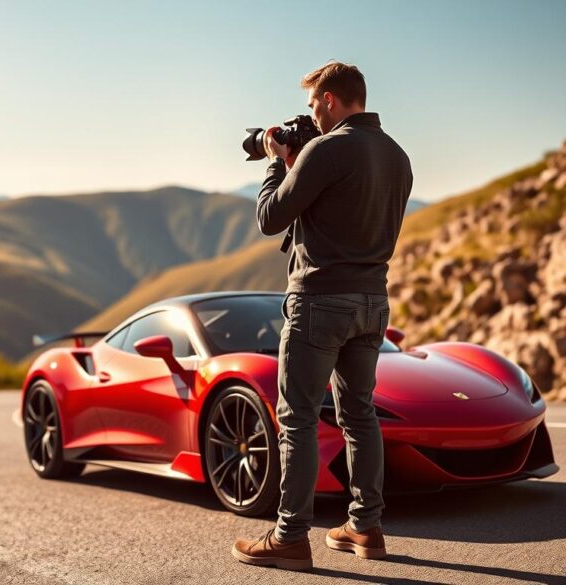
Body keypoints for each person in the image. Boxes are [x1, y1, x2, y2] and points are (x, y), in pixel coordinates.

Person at [231, 60, 413, 571]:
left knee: (297, 419)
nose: (313, 113)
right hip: (372, 301)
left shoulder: (325, 150)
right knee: (360, 415)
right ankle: (366, 527)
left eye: (314, 104)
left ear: (330, 100)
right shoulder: (397, 155)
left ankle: (289, 537)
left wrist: (274, 160)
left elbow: (271, 218)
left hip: (318, 302)